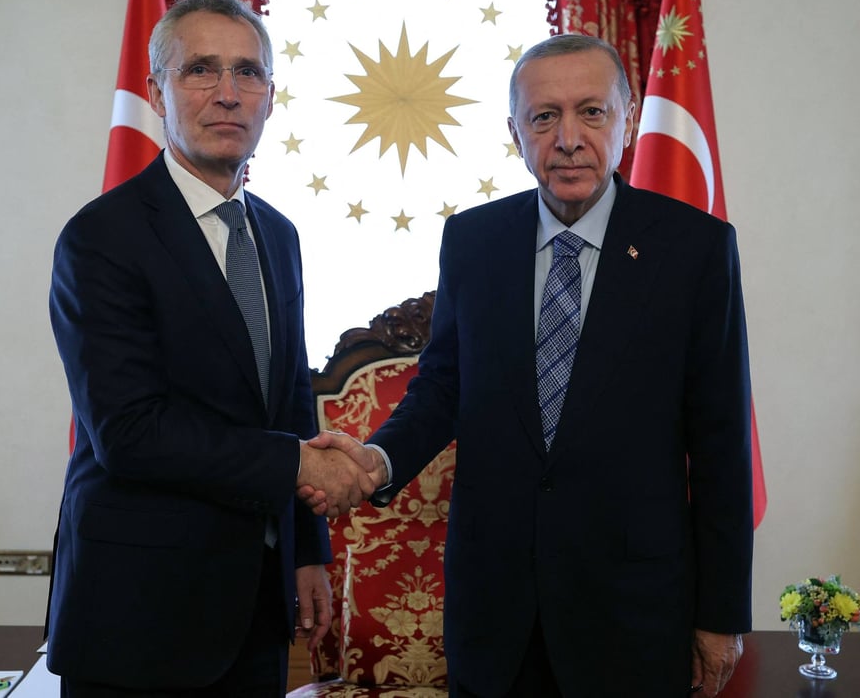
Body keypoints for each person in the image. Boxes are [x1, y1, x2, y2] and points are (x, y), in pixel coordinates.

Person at [305, 34, 754, 697]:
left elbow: (721, 445)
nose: (568, 137)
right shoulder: (474, 241)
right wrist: (377, 460)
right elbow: (443, 385)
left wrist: (720, 614)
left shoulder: (694, 249)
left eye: (591, 112)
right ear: (515, 131)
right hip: (496, 617)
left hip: (632, 616)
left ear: (627, 120)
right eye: (544, 116)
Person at [47, 0, 373, 697]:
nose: (228, 94)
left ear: (270, 99)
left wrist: (306, 551)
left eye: (247, 73)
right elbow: (129, 432)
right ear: (156, 91)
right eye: (201, 70)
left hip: (254, 607)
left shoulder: (278, 235)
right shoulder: (101, 238)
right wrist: (297, 465)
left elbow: (286, 396)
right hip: (138, 610)